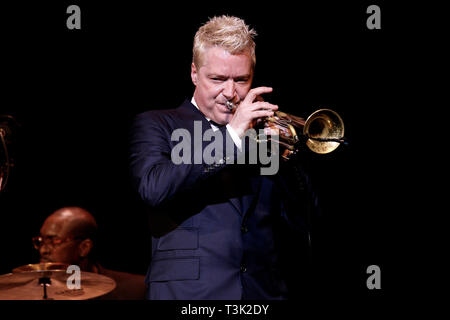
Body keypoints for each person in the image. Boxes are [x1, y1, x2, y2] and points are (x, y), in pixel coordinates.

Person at [129, 15, 317, 300]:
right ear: (194, 73)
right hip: (188, 294)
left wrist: (290, 159)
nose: (230, 93)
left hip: (262, 295)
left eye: (241, 80)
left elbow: (304, 219)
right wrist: (231, 137)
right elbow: (153, 188)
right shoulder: (158, 124)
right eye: (217, 79)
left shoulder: (263, 134)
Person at [33, 206, 146, 300]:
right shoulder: (33, 292)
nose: (43, 250)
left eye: (54, 241)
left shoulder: (136, 290)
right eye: (40, 241)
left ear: (84, 247)